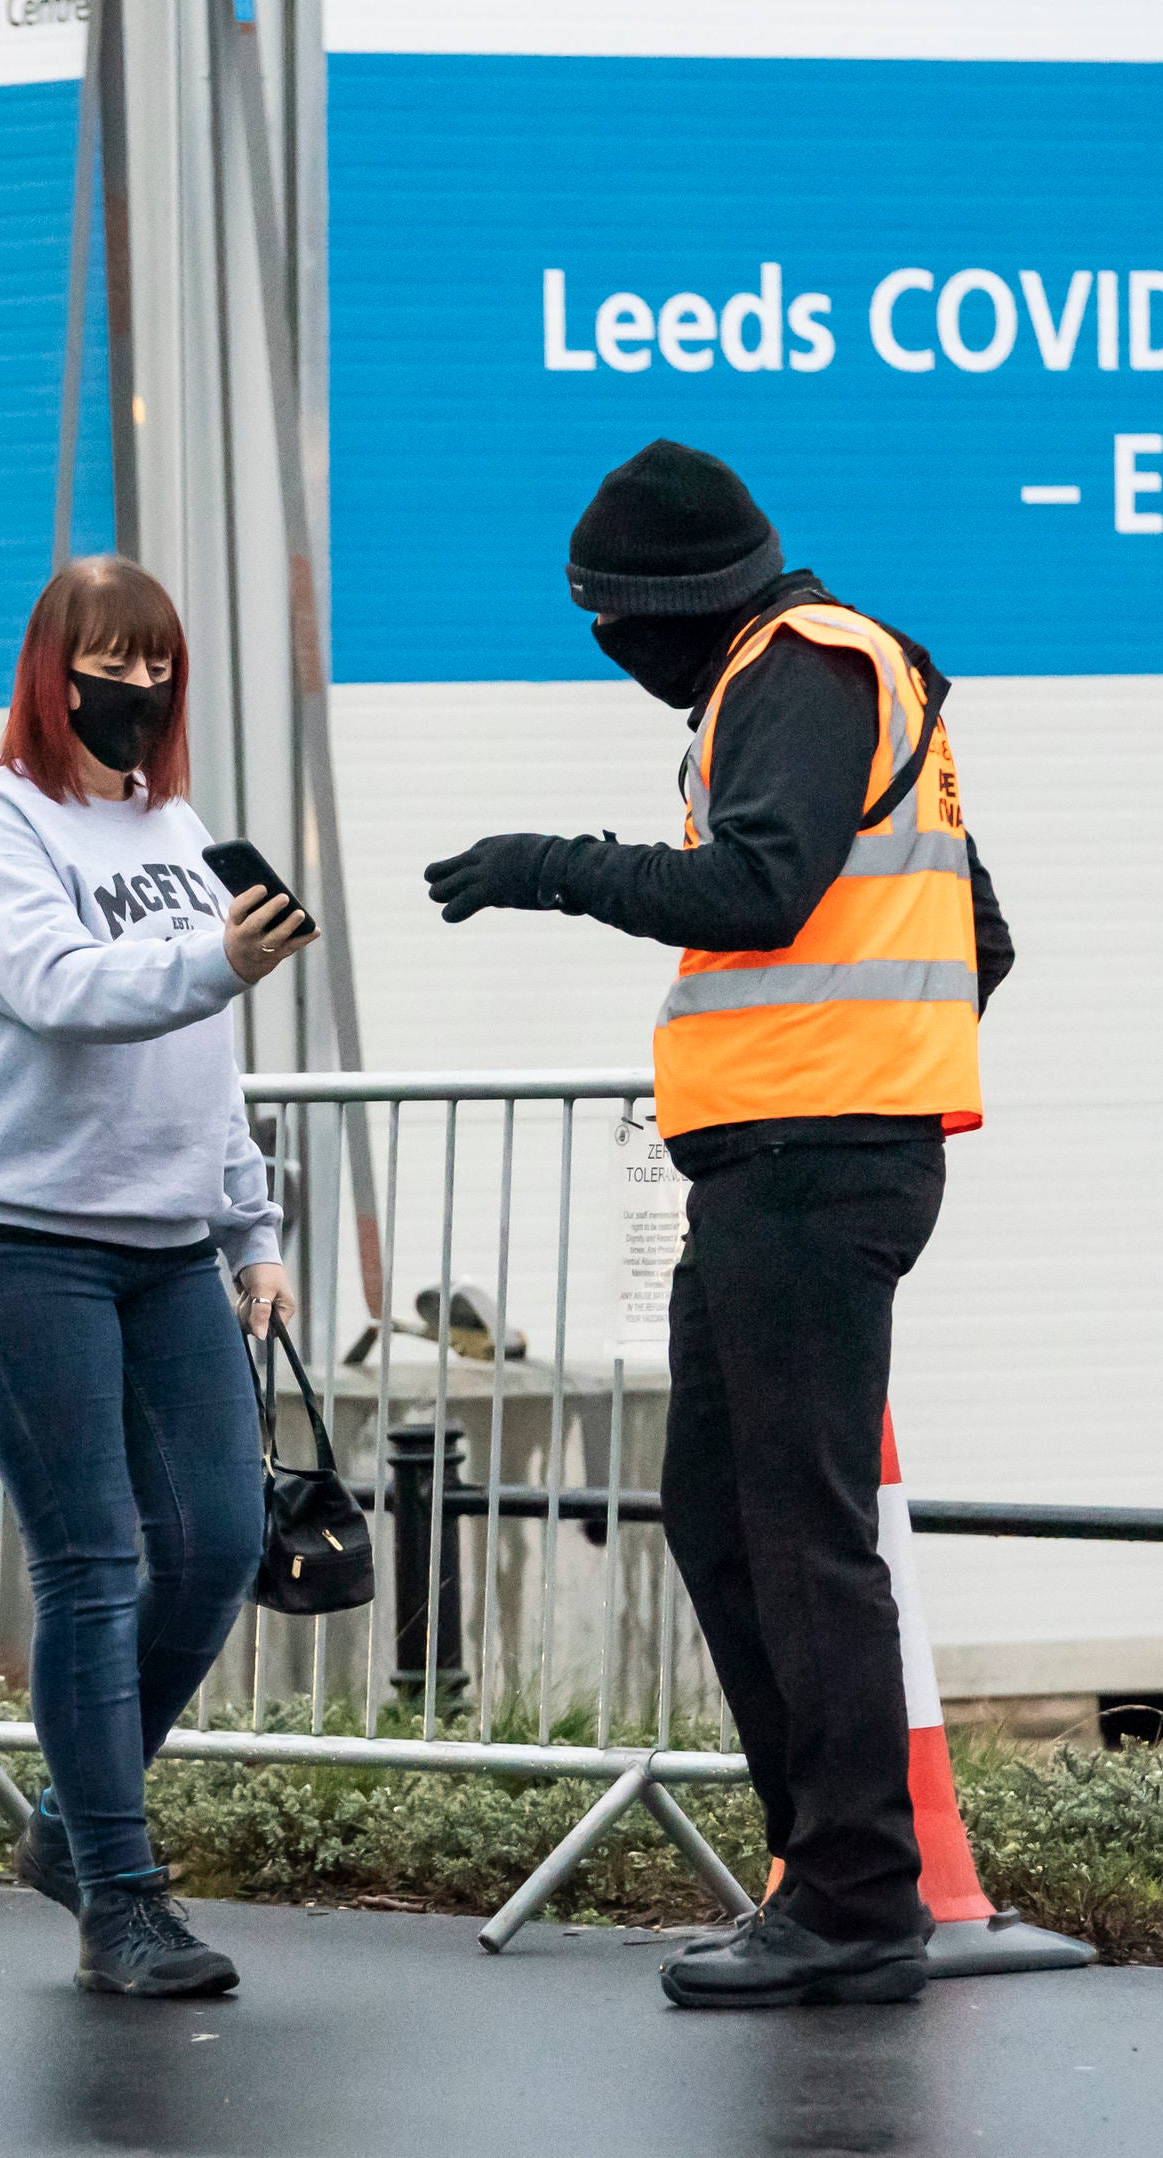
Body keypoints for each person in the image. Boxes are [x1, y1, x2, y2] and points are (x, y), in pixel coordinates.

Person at [423, 441, 1015, 2010]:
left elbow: (758, 888)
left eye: (612, 624)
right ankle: (825, 1869)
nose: (614, 655)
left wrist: (548, 866)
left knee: (795, 1531)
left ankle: (854, 1896)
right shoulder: (834, 677)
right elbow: (982, 933)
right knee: (722, 1512)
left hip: (813, 1165)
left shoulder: (803, 670)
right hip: (787, 1157)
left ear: (665, 604)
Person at [0, 554, 314, 1999]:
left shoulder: (172, 819)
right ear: (50, 667)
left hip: (162, 1240)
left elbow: (207, 1061)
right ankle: (119, 1896)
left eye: (158, 665)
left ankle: (76, 1821)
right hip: (10, 1232)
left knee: (215, 1539)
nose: (135, 688)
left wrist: (251, 1229)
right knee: (90, 1559)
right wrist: (217, 958)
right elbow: (63, 987)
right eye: (109, 661)